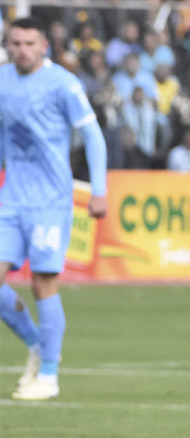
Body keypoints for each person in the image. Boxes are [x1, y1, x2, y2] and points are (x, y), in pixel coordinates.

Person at [1, 17, 109, 401]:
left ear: (44, 44)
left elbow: (92, 135)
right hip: (11, 197)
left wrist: (99, 190)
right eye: (15, 43)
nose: (22, 50)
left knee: (42, 282)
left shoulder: (62, 83)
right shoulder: (2, 81)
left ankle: (49, 374)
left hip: (50, 201)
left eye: (29, 43)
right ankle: (35, 343)